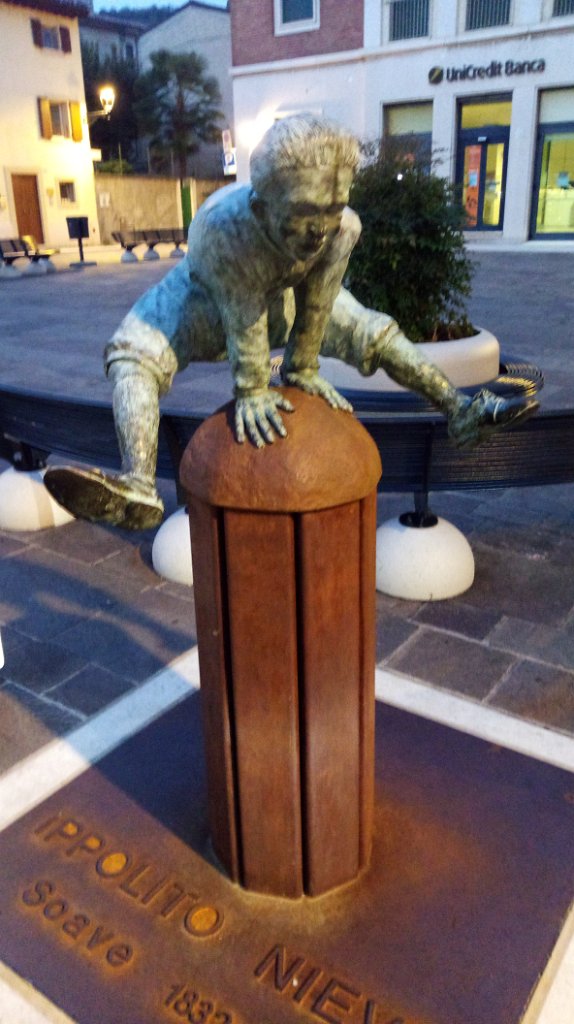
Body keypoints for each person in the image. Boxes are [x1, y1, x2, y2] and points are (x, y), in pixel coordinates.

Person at [44, 114, 537, 530]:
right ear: (261, 207)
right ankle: (138, 484)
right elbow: (243, 314)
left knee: (374, 330)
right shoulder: (225, 227)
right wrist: (253, 389)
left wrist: (302, 366)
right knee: (133, 355)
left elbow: (319, 301)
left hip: (279, 295)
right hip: (203, 297)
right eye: (303, 212)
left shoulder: (342, 227)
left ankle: (459, 408)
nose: (318, 228)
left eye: (331, 209)